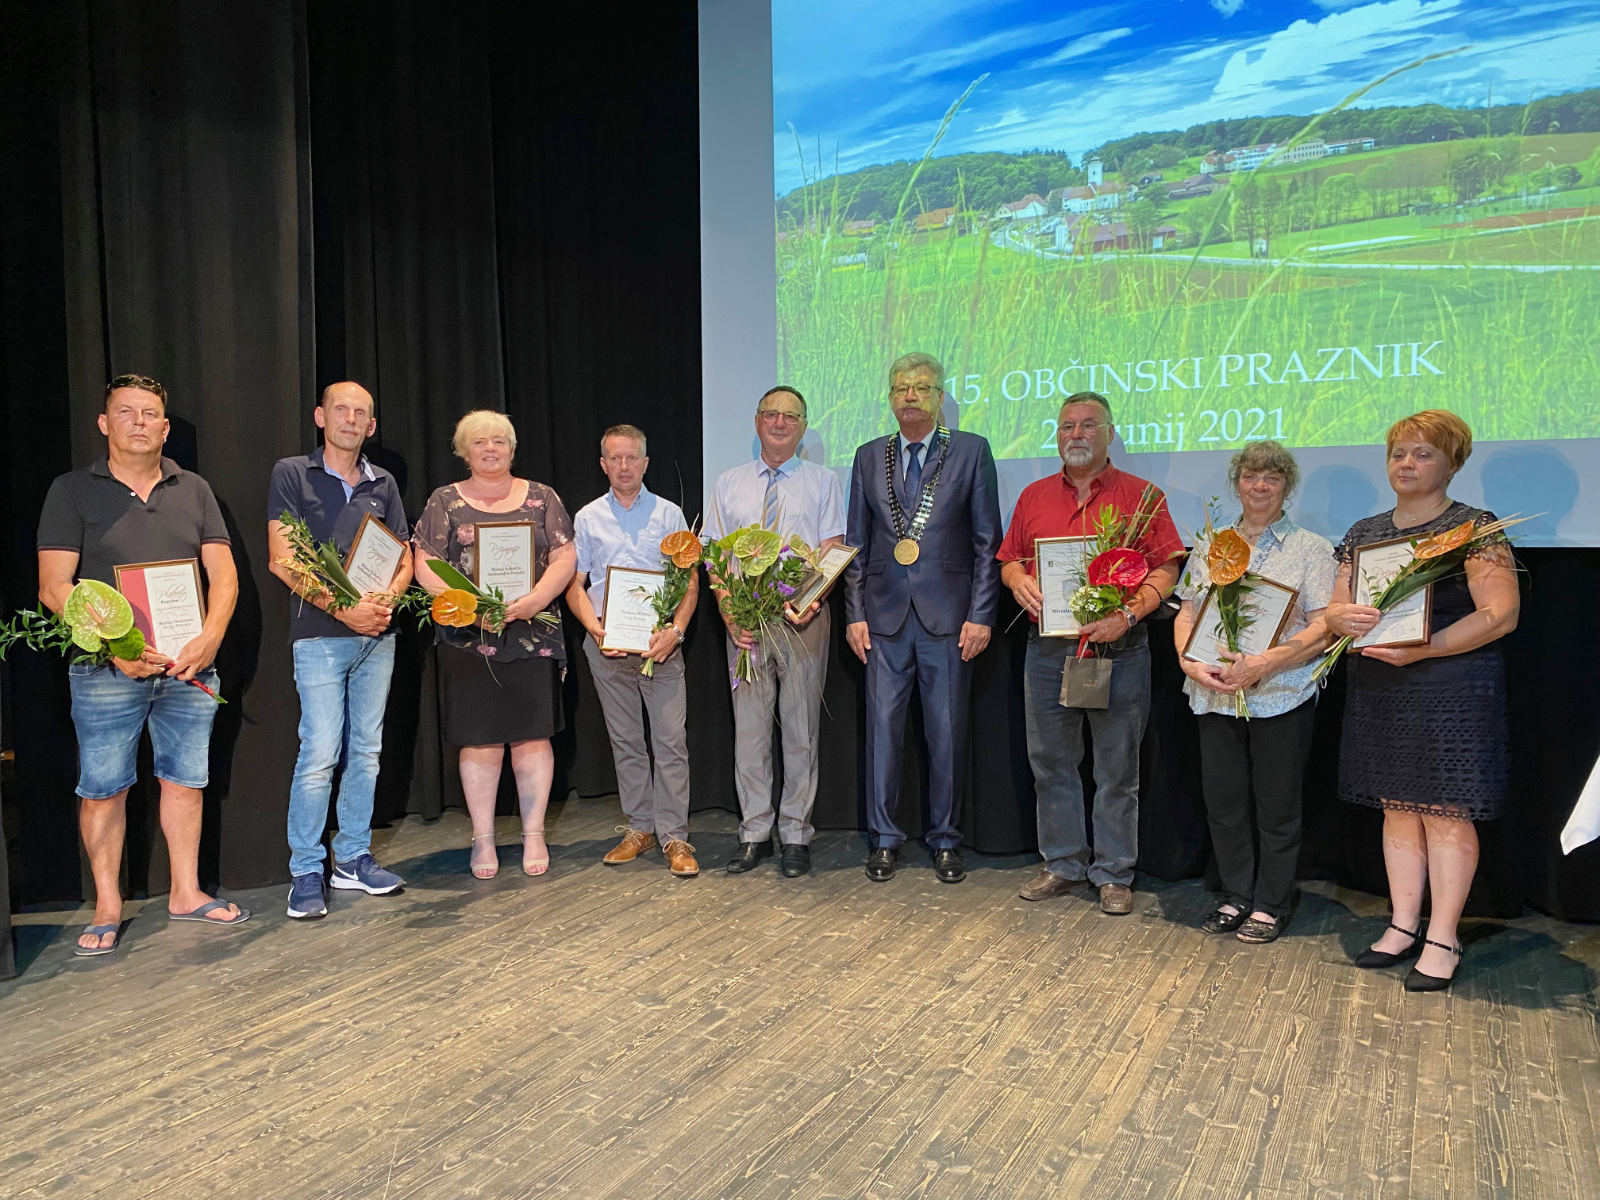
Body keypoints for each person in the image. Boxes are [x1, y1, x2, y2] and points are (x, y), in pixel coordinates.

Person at [37, 374, 245, 955]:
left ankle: (186, 891)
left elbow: (224, 575)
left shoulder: (194, 488)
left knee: (186, 780)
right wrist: (116, 649)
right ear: (105, 424)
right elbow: (54, 587)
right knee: (103, 788)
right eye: (125, 412)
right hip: (107, 671)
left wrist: (210, 639)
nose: (138, 422)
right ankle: (107, 905)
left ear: (165, 427)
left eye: (149, 413)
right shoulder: (71, 490)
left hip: (187, 666)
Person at [1324, 410, 1518, 992]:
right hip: (1383, 685)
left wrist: (1425, 649)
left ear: (1452, 464)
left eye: (1423, 453)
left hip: (1451, 687)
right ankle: (1403, 924)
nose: (1406, 464)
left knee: (1445, 811)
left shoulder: (1473, 526)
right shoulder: (1364, 531)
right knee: (1397, 808)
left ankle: (1443, 935)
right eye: (1398, 453)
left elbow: (1500, 615)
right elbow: (1334, 609)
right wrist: (1342, 618)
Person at [998, 391, 1183, 915]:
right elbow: (1010, 559)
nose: (1075, 435)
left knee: (1117, 769)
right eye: (1066, 426)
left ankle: (1114, 872)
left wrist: (1129, 614)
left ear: (1109, 434)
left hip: (1118, 650)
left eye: (1087, 425)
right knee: (1051, 764)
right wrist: (1017, 581)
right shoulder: (1033, 496)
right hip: (1048, 651)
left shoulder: (1142, 496)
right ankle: (1062, 863)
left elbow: (1167, 567)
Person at [843, 352, 1002, 884]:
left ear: (940, 397)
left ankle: (946, 840)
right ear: (890, 398)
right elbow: (856, 544)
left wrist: (982, 614)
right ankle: (884, 839)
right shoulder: (869, 456)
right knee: (882, 735)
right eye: (900, 388)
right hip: (882, 620)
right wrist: (854, 613)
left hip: (950, 619)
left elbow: (986, 542)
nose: (909, 396)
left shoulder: (972, 450)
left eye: (921, 387)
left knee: (947, 735)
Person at [1172, 441, 1335, 943]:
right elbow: (1187, 612)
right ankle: (1236, 893)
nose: (1260, 485)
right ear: (1237, 484)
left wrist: (1265, 663)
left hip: (1281, 692)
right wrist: (1187, 661)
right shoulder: (1212, 544)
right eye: (1250, 476)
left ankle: (1272, 902)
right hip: (1215, 692)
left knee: (1277, 806)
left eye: (1272, 477)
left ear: (1287, 486)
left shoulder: (1311, 548)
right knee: (1224, 804)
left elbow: (1324, 627)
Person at [267, 382, 413, 920]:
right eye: (341, 410)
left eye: (361, 413)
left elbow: (403, 555)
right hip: (320, 637)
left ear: (371, 426)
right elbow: (283, 559)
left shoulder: (384, 482)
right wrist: (345, 610)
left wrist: (388, 601)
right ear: (320, 416)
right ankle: (307, 868)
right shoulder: (291, 473)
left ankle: (351, 858)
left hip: (377, 637)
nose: (350, 419)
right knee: (320, 753)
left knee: (367, 752)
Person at [414, 410, 576, 880]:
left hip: (532, 634)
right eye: (480, 442)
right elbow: (423, 560)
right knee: (480, 739)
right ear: (464, 451)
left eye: (499, 441)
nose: (490, 449)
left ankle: (533, 833)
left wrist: (535, 600)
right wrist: (463, 606)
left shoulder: (543, 497)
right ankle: (482, 838)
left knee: (532, 737)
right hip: (469, 639)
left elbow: (565, 554)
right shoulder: (444, 500)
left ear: (512, 448)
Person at [706, 386, 845, 878]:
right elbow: (716, 557)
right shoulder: (729, 483)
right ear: (757, 422)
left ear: (803, 426)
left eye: (790, 416)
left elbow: (831, 550)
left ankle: (795, 834)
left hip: (801, 623)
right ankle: (754, 833)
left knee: (801, 732)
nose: (780, 422)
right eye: (771, 414)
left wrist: (809, 602)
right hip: (745, 625)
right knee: (750, 734)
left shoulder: (823, 481)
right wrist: (729, 614)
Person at [566, 425, 701, 877]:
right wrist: (592, 627)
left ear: (645, 463)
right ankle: (640, 828)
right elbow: (575, 584)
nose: (624, 466)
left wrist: (676, 632)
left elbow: (689, 581)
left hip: (661, 649)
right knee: (625, 743)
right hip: (607, 648)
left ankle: (675, 836)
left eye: (632, 458)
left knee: (670, 743)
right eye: (615, 458)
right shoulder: (587, 517)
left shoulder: (668, 513)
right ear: (603, 464)